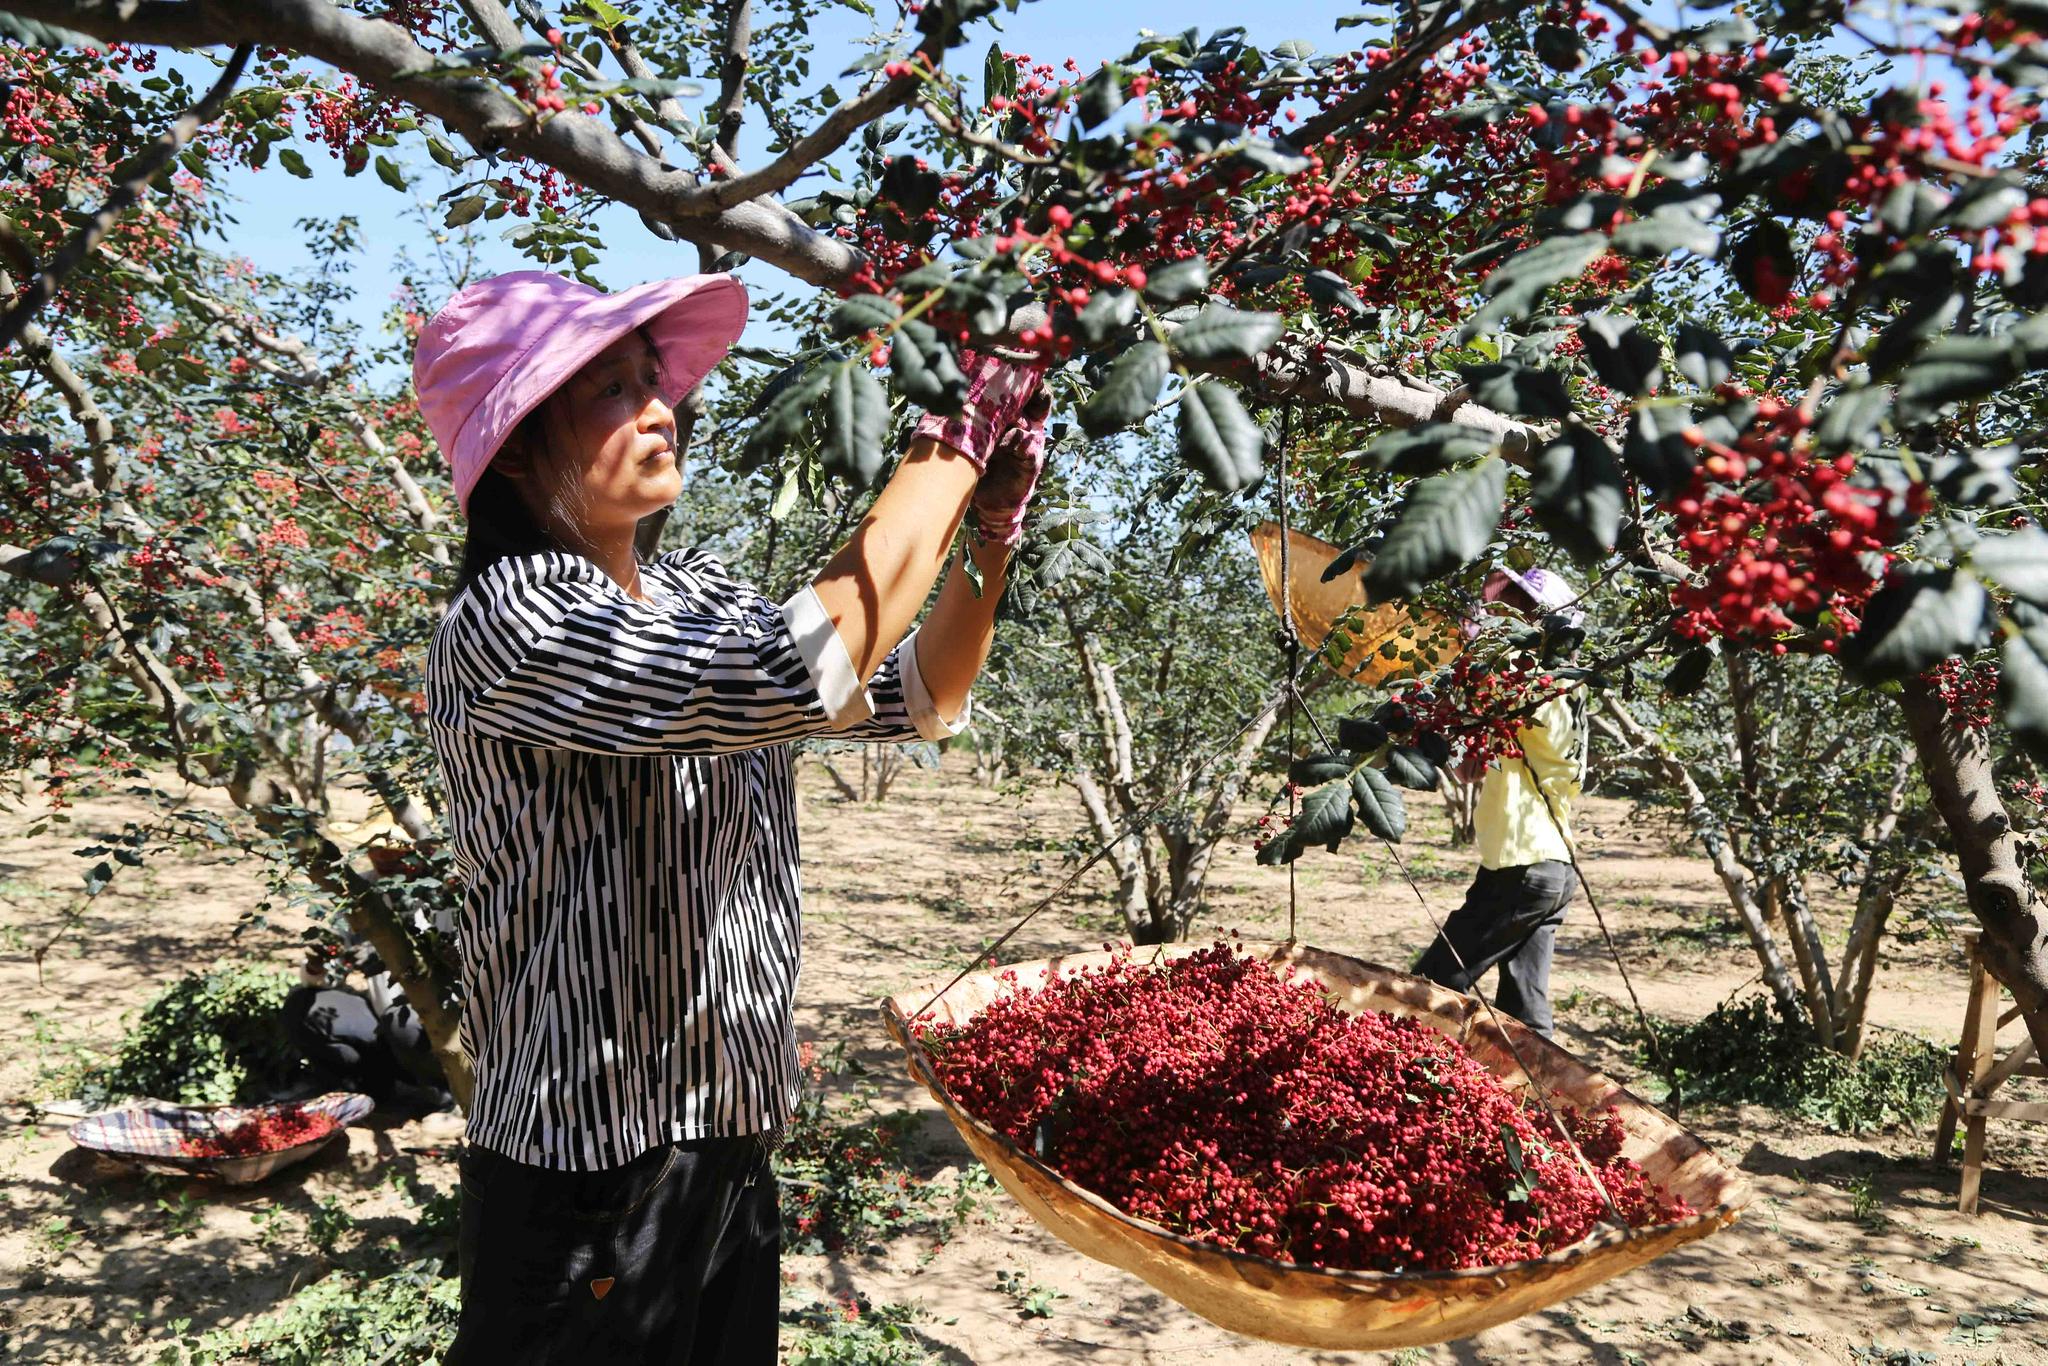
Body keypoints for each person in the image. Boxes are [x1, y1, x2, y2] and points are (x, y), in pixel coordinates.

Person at [411, 269, 1049, 1363]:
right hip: (587, 1180)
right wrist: (957, 422)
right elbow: (801, 670)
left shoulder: (701, 596)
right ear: (516, 450)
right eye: (609, 391)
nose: (660, 407)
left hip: (729, 1140)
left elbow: (917, 696)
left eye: (650, 381)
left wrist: (988, 532)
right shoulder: (511, 620)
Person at [1413, 566, 1590, 1040]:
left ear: (1542, 624)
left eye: (1513, 610)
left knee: (1431, 984)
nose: (1499, 621)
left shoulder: (1534, 683)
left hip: (1523, 866)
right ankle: (1540, 1108)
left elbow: (1477, 688)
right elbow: (1472, 762)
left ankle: (1402, 1076)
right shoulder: (1562, 690)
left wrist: (1421, 717)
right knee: (1527, 1017)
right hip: (1553, 867)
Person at [281, 937, 453, 1111]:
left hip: (429, 1025)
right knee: (299, 1007)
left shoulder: (447, 915)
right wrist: (316, 967)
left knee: (400, 1021)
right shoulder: (360, 916)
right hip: (383, 1021)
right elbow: (328, 978)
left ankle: (449, 1098)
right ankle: (371, 1088)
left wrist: (385, 958)